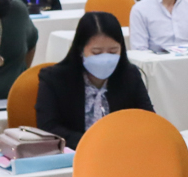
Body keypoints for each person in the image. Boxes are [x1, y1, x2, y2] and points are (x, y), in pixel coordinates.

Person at [35, 11, 154, 148]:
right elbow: (48, 127)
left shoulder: (130, 75)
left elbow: (148, 119)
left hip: (122, 150)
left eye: (113, 51)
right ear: (81, 50)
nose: (106, 59)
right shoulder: (54, 79)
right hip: (73, 152)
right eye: (96, 52)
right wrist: (94, 143)